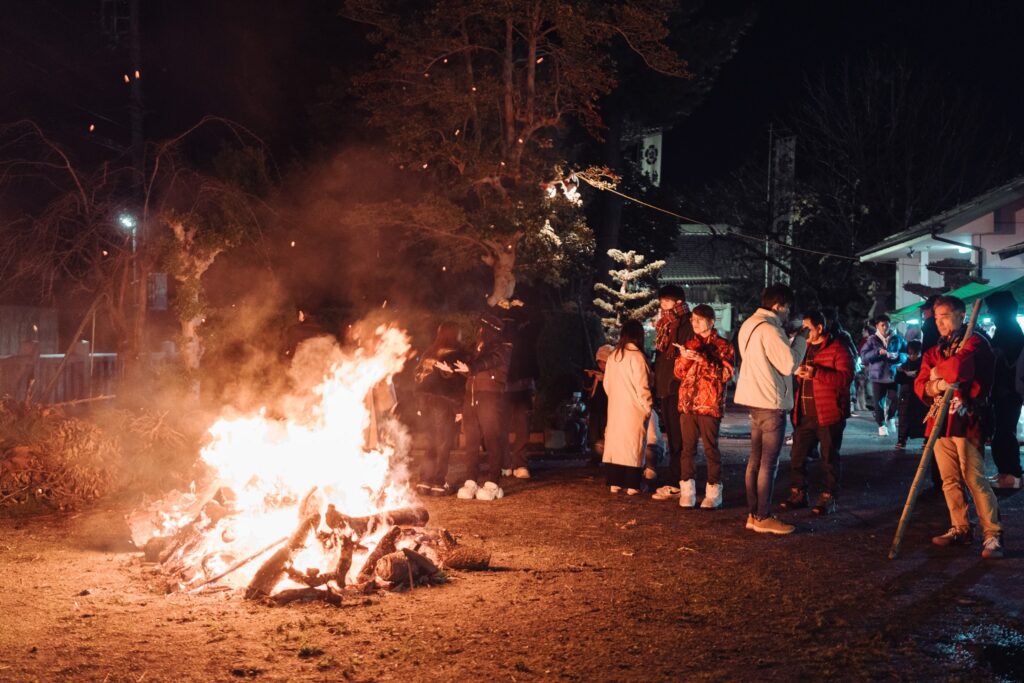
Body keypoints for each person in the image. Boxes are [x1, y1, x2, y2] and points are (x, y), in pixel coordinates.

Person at [914, 295, 1002, 559]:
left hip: (969, 419)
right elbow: (920, 385)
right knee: (949, 479)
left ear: (961, 316)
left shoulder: (975, 342)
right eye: (936, 318)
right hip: (940, 422)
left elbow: (956, 371)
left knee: (974, 478)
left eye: (945, 316)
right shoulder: (936, 348)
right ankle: (960, 527)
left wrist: (938, 374)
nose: (939, 323)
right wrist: (935, 384)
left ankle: (993, 534)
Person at [734, 284, 807, 534]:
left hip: (754, 399)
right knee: (768, 463)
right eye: (786, 309)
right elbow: (789, 364)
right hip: (771, 402)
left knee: (755, 460)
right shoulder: (770, 330)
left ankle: (753, 514)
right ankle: (763, 516)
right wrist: (801, 341)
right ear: (779, 306)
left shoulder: (749, 325)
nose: (788, 313)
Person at [778, 311, 854, 515]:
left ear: (820, 328)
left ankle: (828, 497)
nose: (805, 332)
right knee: (797, 456)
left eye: (808, 328)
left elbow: (845, 379)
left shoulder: (838, 348)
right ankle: (798, 494)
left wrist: (816, 373)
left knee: (829, 457)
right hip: (804, 413)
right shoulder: (804, 348)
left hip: (829, 413)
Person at [673, 304, 735, 509]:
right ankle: (688, 491)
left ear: (711, 321)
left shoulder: (723, 346)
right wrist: (684, 358)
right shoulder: (690, 343)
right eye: (693, 320)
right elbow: (679, 373)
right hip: (688, 404)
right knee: (687, 448)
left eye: (699, 320)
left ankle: (714, 491)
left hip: (709, 404)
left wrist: (703, 359)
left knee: (710, 448)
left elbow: (726, 374)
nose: (695, 323)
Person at [449, 313, 512, 502]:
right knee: (471, 442)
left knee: (492, 439)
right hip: (471, 399)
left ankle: (493, 482)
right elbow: (468, 368)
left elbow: (489, 361)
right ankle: (471, 480)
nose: (479, 332)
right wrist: (450, 371)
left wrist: (472, 367)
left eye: (481, 328)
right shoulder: (476, 348)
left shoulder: (503, 347)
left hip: (490, 398)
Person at [651, 285, 695, 501]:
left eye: (666, 302)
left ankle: (680, 480)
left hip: (678, 385)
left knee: (679, 436)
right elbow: (660, 356)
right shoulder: (665, 325)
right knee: (672, 435)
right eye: (661, 302)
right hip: (666, 387)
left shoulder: (687, 323)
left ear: (678, 302)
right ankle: (675, 477)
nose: (662, 306)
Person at [413, 321, 466, 496]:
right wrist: (459, 408)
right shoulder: (455, 355)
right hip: (445, 404)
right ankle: (438, 482)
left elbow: (418, 378)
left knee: (431, 442)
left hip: (426, 404)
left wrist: (420, 404)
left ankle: (424, 481)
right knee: (444, 443)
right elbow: (458, 384)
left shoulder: (429, 353)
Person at [602, 319, 654, 495]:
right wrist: (647, 407)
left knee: (616, 445)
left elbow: (607, 384)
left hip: (616, 406)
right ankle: (632, 484)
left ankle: (615, 482)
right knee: (633, 446)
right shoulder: (637, 357)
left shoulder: (614, 356)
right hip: (634, 409)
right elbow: (643, 386)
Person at [986, 291, 1024, 489]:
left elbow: (1002, 357)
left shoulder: (1009, 329)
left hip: (1007, 391)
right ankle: (1005, 472)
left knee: (1004, 432)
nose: (990, 313)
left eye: (992, 309)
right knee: (1002, 431)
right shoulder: (1007, 327)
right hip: (1004, 390)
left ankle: (1012, 475)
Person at [504, 310, 541, 479]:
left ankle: (518, 463)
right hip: (506, 386)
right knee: (508, 427)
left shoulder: (526, 335)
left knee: (521, 427)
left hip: (521, 386)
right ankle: (510, 463)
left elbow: (538, 320)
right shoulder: (498, 334)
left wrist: (524, 306)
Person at [860, 314, 908, 437]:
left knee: (896, 399)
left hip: (893, 375)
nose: (885, 327)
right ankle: (881, 425)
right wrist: (878, 352)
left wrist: (898, 356)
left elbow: (906, 354)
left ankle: (891, 417)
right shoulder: (872, 340)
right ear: (877, 326)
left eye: (887, 324)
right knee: (878, 403)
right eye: (882, 325)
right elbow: (864, 356)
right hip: (877, 376)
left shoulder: (898, 338)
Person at [894, 340, 927, 450]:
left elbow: (927, 375)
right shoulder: (904, 364)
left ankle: (927, 439)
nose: (912, 356)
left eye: (915, 354)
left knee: (924, 417)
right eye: (910, 353)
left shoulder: (924, 364)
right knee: (904, 417)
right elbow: (898, 380)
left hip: (921, 394)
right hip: (906, 395)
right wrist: (900, 372)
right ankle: (901, 440)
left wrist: (917, 374)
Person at [585, 345, 614, 464]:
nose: (602, 366)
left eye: (605, 363)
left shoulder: (614, 375)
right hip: (595, 409)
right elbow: (588, 389)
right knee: (593, 434)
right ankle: (595, 457)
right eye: (600, 363)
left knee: (606, 433)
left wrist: (605, 379)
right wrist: (590, 378)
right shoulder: (596, 373)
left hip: (607, 409)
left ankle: (608, 457)